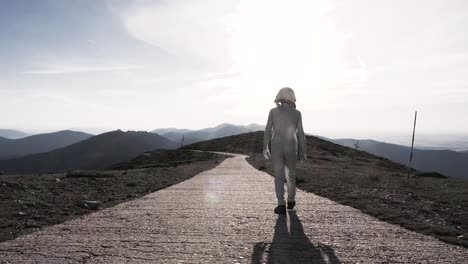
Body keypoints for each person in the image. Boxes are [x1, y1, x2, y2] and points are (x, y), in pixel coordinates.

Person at [263, 87, 307, 214]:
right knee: (291, 175)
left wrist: (265, 147)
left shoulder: (273, 112)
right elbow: (301, 134)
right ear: (292, 98)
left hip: (276, 145)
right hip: (292, 146)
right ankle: (291, 201)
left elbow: (267, 130)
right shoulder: (297, 113)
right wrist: (303, 151)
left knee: (278, 176)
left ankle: (280, 204)